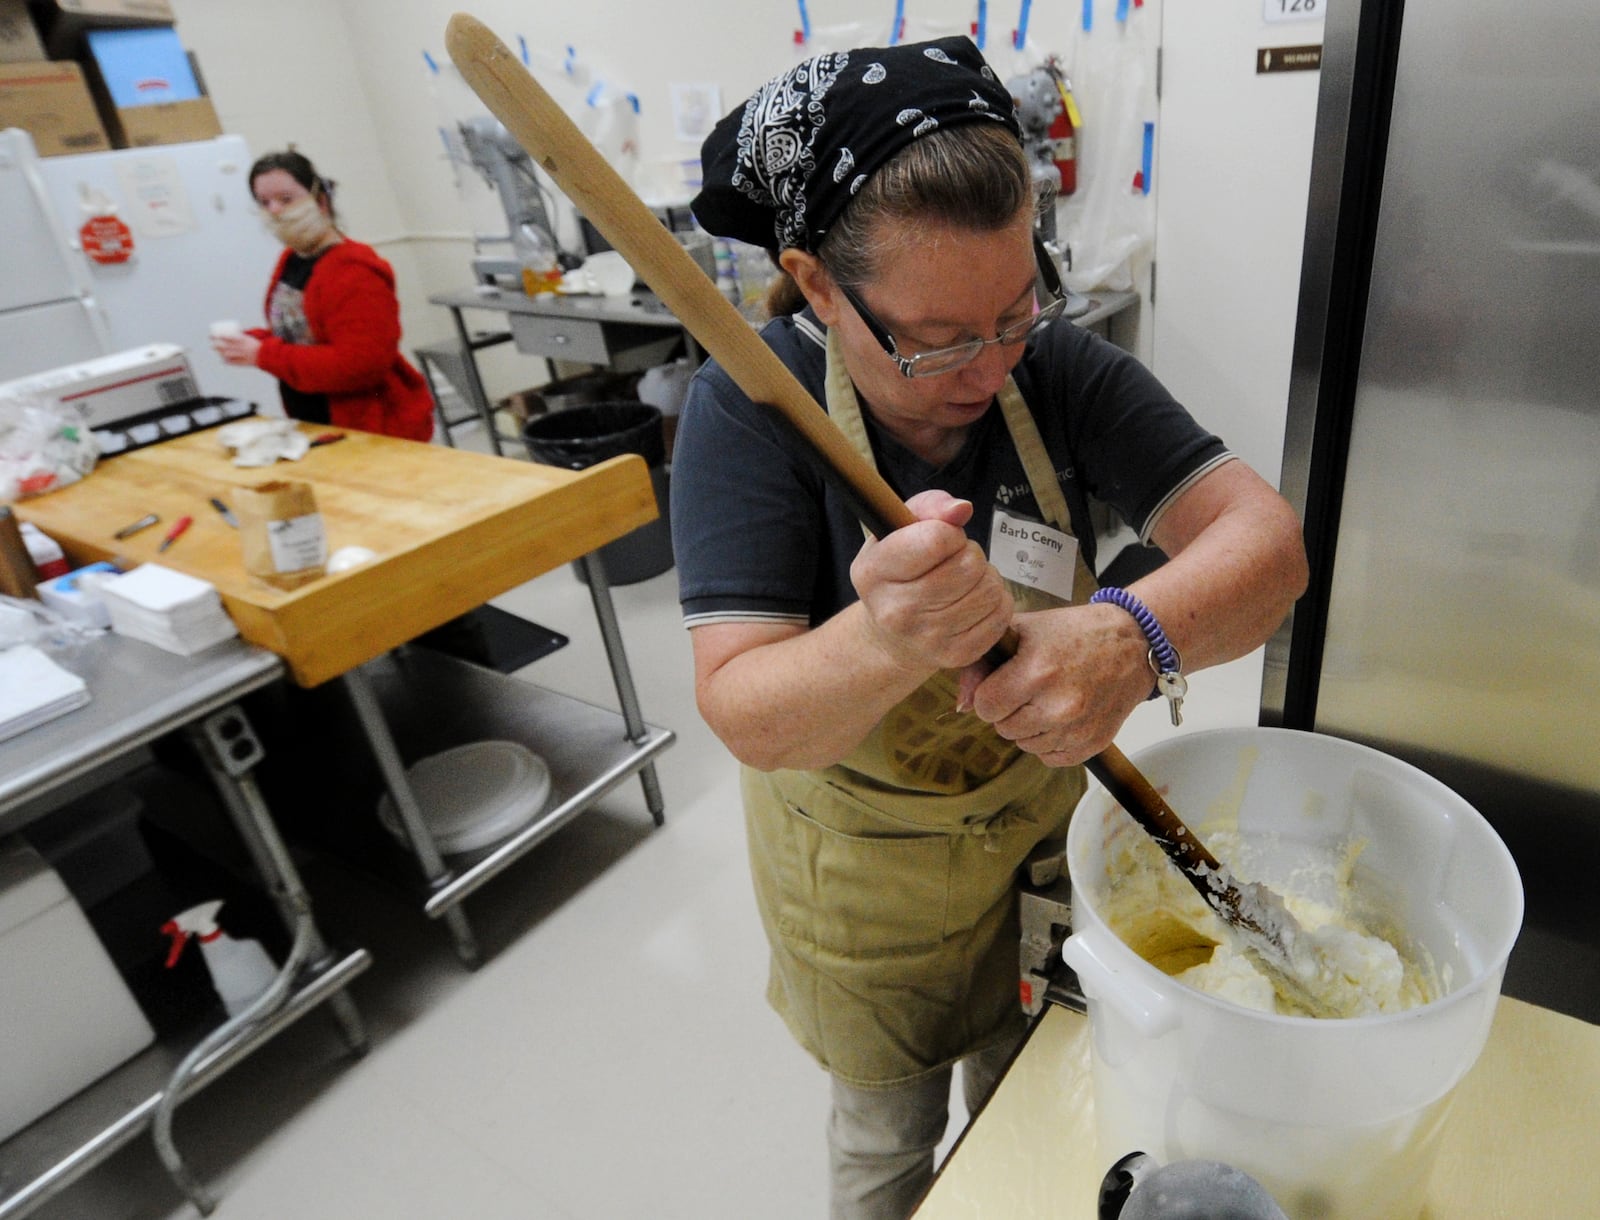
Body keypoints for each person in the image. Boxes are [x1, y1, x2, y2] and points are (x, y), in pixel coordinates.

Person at [670, 36, 1309, 1220]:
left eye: (1016, 307)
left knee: (1026, 1088)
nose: (988, 363)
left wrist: (1129, 636)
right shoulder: (750, 407)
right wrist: (882, 638)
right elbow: (742, 709)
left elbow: (1267, 548)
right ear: (816, 285)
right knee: (886, 1135)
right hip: (866, 883)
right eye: (938, 336)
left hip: (1036, 833)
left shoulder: (1054, 370)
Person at [212, 149, 433, 441]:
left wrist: (264, 354)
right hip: (317, 422)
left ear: (320, 201)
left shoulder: (354, 268)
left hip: (373, 427)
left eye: (286, 199)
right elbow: (305, 336)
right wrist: (256, 342)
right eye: (264, 202)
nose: (275, 210)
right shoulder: (292, 259)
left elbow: (360, 365)